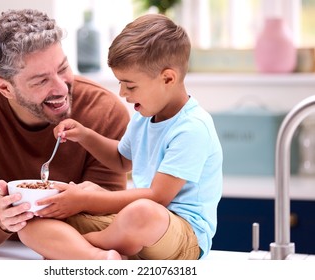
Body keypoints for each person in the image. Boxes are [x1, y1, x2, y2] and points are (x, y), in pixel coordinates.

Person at [18, 13, 223, 260]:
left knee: (143, 212)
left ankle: (79, 249)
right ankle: (103, 259)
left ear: (168, 78)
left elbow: (158, 197)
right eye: (120, 83)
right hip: (130, 230)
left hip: (181, 236)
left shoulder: (192, 128)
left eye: (130, 85)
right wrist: (84, 135)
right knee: (33, 222)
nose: (123, 93)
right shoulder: (143, 116)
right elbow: (121, 160)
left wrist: (87, 199)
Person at [0, 9, 130, 259]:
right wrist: (0, 220)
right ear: (4, 87)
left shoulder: (104, 112)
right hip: (4, 256)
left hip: (84, 254)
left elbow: (110, 220)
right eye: (41, 81)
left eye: (63, 68)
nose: (61, 88)